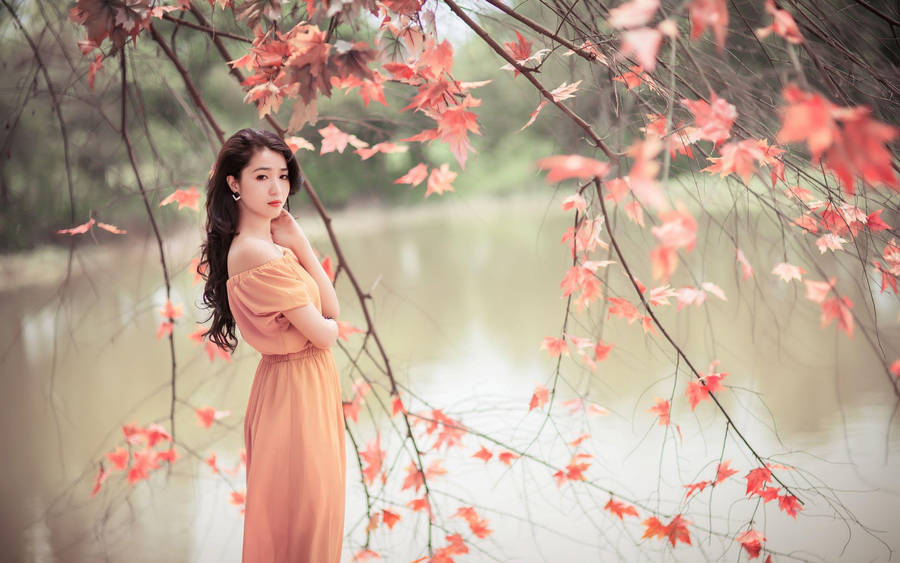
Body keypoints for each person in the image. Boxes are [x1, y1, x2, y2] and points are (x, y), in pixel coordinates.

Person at [198, 128, 345, 562]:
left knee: (317, 516)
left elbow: (330, 307)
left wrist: (299, 242)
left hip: (307, 386)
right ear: (234, 183)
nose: (276, 188)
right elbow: (327, 331)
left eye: (282, 176)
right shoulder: (252, 254)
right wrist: (328, 325)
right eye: (261, 177)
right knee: (302, 521)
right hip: (293, 395)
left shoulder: (272, 248)